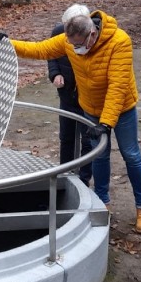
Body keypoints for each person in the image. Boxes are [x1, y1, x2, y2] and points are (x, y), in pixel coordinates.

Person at [7, 4, 141, 234]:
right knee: (99, 156)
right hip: (91, 108)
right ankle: (102, 200)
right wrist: (10, 44)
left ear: (92, 34)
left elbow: (118, 86)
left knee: (131, 154)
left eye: (79, 44)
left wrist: (106, 123)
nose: (75, 49)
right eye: (71, 44)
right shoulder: (70, 40)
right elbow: (41, 50)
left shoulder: (119, 42)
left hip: (121, 108)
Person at [48, 21, 92, 185]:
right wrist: (55, 74)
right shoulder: (59, 32)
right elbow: (49, 54)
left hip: (86, 99)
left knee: (88, 140)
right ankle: (64, 175)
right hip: (67, 95)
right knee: (66, 137)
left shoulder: (90, 37)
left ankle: (84, 179)